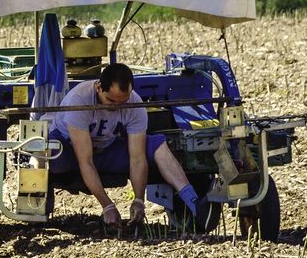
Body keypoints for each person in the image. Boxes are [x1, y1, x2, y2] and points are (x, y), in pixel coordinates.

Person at [48, 63, 202, 228]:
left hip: (106, 149)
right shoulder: (79, 101)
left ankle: (194, 202)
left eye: (123, 102)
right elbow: (85, 161)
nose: (117, 107)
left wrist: (139, 200)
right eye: (111, 101)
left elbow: (137, 158)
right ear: (99, 88)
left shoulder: (135, 104)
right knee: (51, 155)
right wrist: (107, 206)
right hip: (71, 151)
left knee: (157, 145)